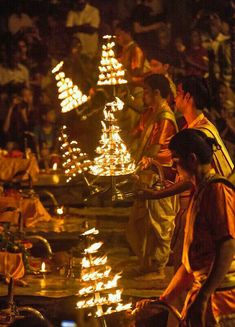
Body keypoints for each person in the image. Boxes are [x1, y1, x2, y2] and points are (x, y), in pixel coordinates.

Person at [135, 129, 235, 327]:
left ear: (192, 159)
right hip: (206, 293)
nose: (173, 165)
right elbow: (190, 264)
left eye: (176, 159)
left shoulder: (217, 190)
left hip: (222, 297)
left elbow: (228, 245)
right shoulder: (201, 191)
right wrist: (163, 301)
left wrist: (204, 295)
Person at [126, 74, 178, 279]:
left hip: (159, 177)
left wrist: (135, 167)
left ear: (157, 93)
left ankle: (156, 267)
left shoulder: (165, 118)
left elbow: (154, 151)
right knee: (140, 224)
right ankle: (146, 264)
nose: (143, 95)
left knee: (157, 224)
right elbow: (136, 138)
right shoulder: (151, 114)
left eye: (146, 91)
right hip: (144, 175)